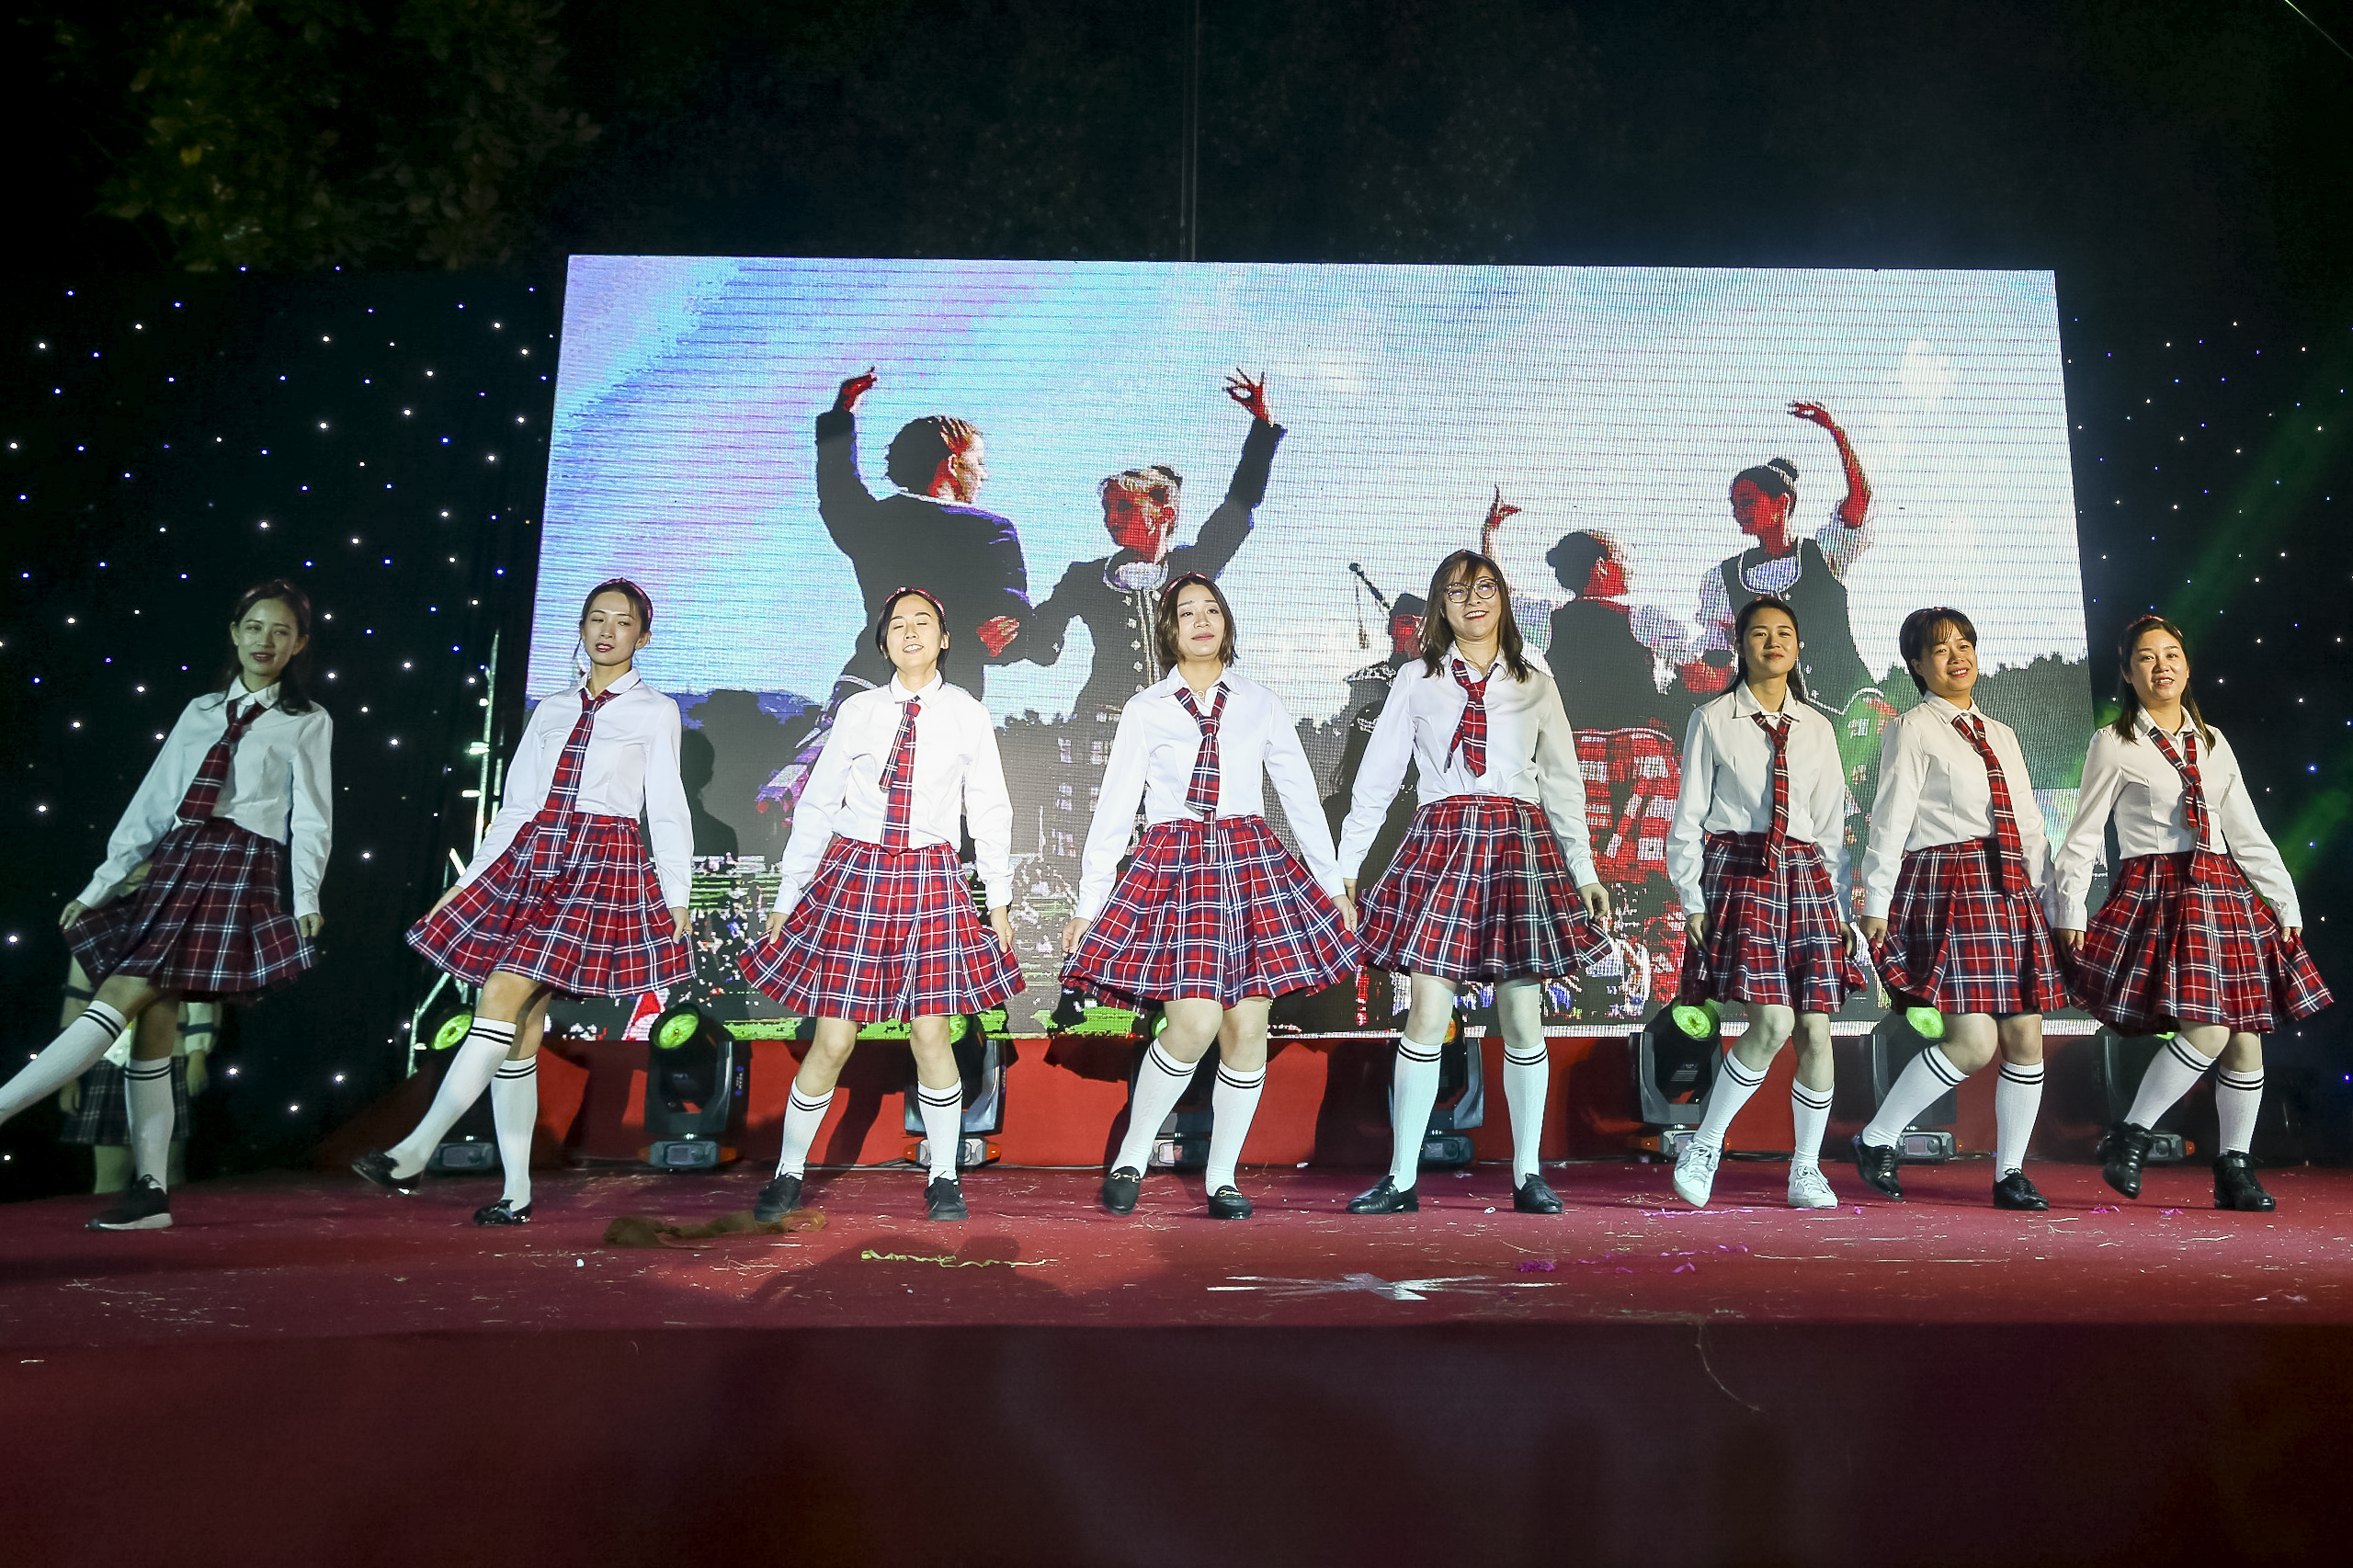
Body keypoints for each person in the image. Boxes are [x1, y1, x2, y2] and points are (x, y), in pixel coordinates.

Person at [356, 579, 692, 1224]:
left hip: (600, 860)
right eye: (596, 618)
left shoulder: (656, 710)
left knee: (502, 993)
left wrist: (676, 890)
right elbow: (515, 805)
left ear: (643, 636)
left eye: (622, 622)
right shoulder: (553, 707)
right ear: (581, 628)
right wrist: (470, 881)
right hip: (534, 858)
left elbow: (667, 804)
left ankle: (412, 1153)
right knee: (522, 1029)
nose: (607, 631)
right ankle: (516, 1194)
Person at [0, 578, 331, 1232]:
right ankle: (151, 1192)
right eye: (255, 627)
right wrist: (100, 885)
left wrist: (306, 895)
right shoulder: (200, 710)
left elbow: (313, 817)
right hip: (178, 858)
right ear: (235, 633)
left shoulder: (307, 720)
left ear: (299, 645)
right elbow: (153, 803)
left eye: (281, 631)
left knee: (124, 991)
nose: (265, 641)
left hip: (240, 863)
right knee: (155, 1019)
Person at [1063, 574, 1358, 1220]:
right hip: (1178, 867)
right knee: (1193, 1022)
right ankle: (1132, 1154)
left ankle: (1222, 1178)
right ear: (1170, 629)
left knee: (1247, 1027)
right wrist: (1088, 903)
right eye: (1187, 612)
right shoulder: (1146, 708)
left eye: (1212, 610)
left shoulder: (1259, 702)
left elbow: (1300, 796)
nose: (1201, 621)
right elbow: (1115, 807)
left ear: (1226, 623)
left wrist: (1333, 883)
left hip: (1249, 864)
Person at [1337, 550, 1612, 1216]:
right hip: (1443, 839)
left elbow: (1563, 781)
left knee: (1521, 1014)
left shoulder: (1535, 678)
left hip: (1517, 842)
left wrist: (1584, 869)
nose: (1474, 600)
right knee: (1428, 1012)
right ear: (1442, 605)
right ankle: (1401, 1178)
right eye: (1458, 591)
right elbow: (1376, 780)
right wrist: (1346, 870)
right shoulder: (1417, 678)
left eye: (1485, 587)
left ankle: (1528, 1174)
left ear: (1504, 598)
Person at [738, 587, 1023, 1223]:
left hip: (928, 875)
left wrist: (998, 898)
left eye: (923, 622)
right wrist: (790, 891)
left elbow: (990, 808)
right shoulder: (859, 710)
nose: (910, 632)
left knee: (931, 1033)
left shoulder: (967, 713)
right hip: (857, 873)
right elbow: (818, 803)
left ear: (944, 639)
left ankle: (944, 1176)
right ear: (884, 642)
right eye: (897, 624)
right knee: (833, 1038)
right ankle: (788, 1174)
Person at [2052, 615, 2331, 1211]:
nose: (2162, 667)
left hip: (2221, 889)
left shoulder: (2213, 740)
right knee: (2208, 1029)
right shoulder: (2114, 742)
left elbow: (2246, 830)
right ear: (2128, 672)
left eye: (2171, 655)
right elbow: (2083, 834)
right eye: (2147, 657)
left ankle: (2234, 1169)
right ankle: (2131, 1133)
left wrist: (2283, 900)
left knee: (2246, 1036)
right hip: (2160, 890)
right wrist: (2069, 906)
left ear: (2187, 665)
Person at [1852, 608, 2068, 1210]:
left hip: (2009, 888)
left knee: (2025, 1034)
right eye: (1941, 649)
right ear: (1917, 665)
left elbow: (2029, 822)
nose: (1958, 657)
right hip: (1951, 882)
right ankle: (1878, 1137)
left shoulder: (2001, 732)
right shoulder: (1912, 728)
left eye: (1965, 644)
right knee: (1972, 1042)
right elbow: (1890, 818)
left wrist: (2050, 900)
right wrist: (1876, 897)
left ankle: (2010, 1175)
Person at [1665, 597, 1865, 1210]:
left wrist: (1842, 909)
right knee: (1772, 1022)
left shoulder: (1818, 727)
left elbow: (1829, 827)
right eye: (1759, 633)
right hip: (1742, 871)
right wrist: (1691, 897)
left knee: (1816, 1031)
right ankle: (1705, 1145)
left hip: (1806, 877)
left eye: (1784, 633)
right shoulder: (1713, 719)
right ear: (1741, 645)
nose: (1773, 643)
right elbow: (1688, 816)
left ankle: (1806, 1169)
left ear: (1798, 647)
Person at [1021, 370, 1284, 723]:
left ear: (1165, 513)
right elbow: (1043, 641)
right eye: (1108, 509)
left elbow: (1239, 505)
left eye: (1124, 507)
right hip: (1102, 724)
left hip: (1180, 723)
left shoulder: (1194, 566)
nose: (1112, 518)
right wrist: (1016, 631)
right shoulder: (1084, 577)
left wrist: (1263, 430)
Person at [1677, 403, 1877, 712]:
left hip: (1849, 706)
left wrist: (1835, 431)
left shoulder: (1823, 553)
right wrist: (1699, 670)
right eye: (1734, 504)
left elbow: (1859, 499)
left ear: (1781, 503)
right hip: (1777, 714)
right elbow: (1719, 656)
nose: (1738, 511)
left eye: (1747, 501)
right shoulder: (1726, 578)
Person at [1544, 529, 1690, 733]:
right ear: (1601, 566)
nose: (1628, 568)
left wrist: (1496, 527)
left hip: (1573, 741)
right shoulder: (1641, 618)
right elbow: (1696, 674)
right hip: (1634, 741)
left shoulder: (1547, 619)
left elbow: (1506, 595)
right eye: (1622, 559)